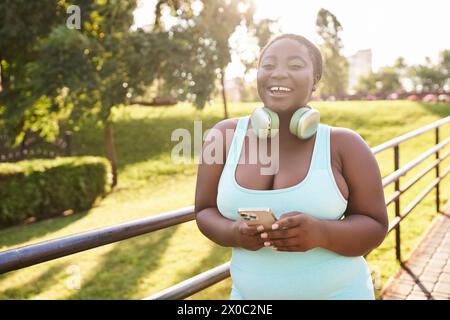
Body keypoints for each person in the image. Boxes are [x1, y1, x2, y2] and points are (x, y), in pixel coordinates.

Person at [194, 33, 388, 300]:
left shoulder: (345, 145)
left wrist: (322, 234)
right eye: (269, 65)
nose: (279, 74)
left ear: (315, 81)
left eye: (295, 66)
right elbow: (204, 210)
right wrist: (233, 233)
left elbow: (375, 226)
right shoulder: (223, 136)